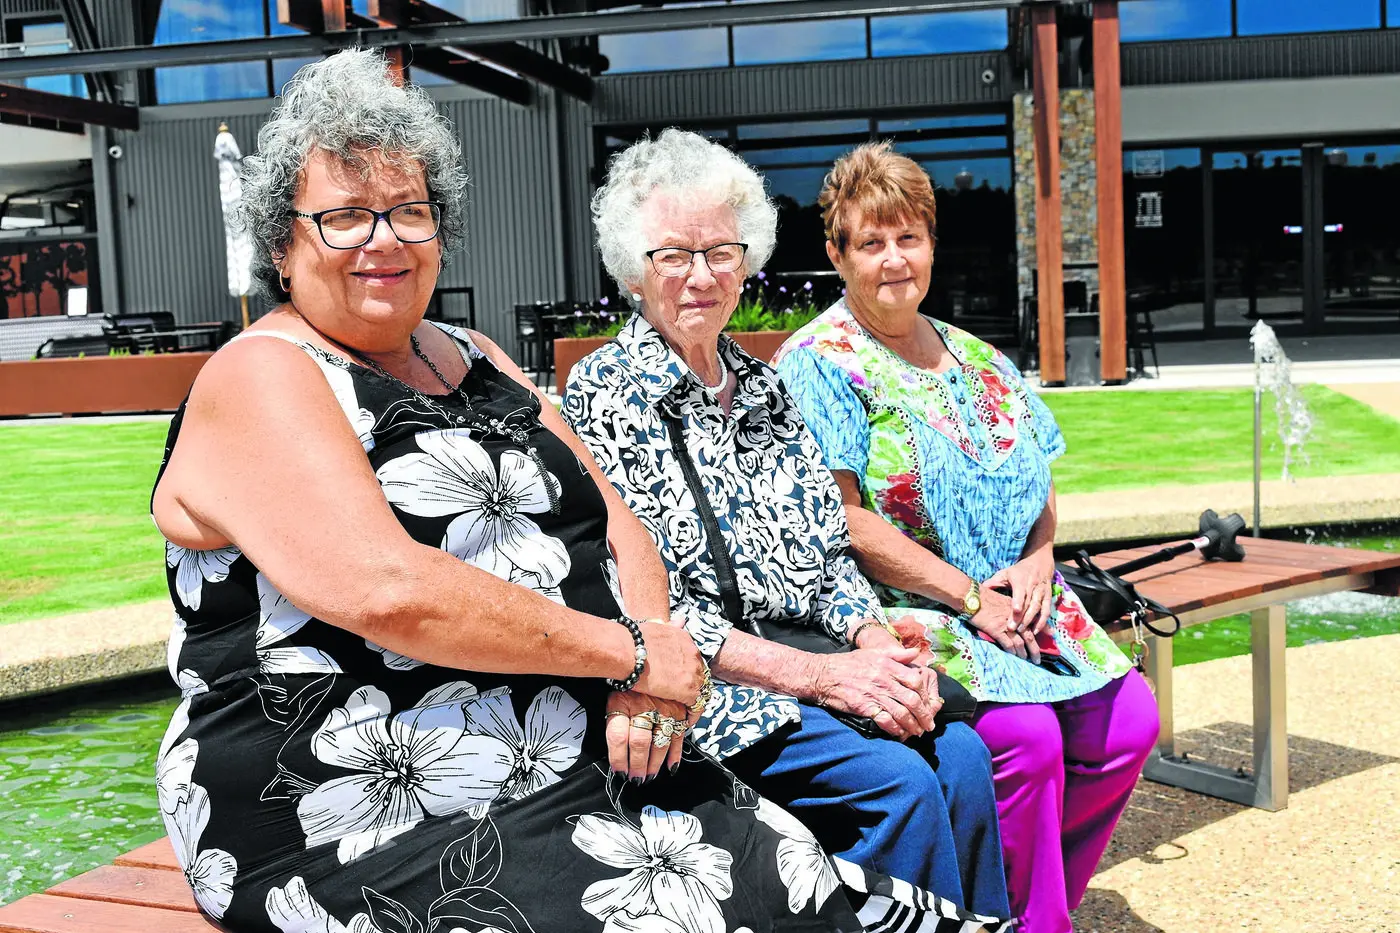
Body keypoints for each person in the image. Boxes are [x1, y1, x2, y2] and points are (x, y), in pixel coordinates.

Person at [150, 54, 1001, 933]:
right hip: (358, 806)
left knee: (818, 891)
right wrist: (626, 657)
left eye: (411, 211)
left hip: (569, 752)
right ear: (281, 242)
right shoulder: (263, 373)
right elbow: (387, 589)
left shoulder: (472, 354)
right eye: (343, 217)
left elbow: (622, 527)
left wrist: (649, 662)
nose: (385, 239)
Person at [562, 128, 1009, 919]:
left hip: (821, 664)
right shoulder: (607, 395)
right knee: (898, 787)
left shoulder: (764, 388)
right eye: (674, 255)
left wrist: (871, 643)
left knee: (966, 757)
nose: (701, 275)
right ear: (636, 269)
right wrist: (831, 676)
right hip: (719, 689)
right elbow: (642, 607)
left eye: (721, 252)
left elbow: (830, 551)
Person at [773, 142, 1161, 933]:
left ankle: (1038, 898)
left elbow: (1038, 470)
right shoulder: (819, 361)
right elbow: (843, 518)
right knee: (1027, 740)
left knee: (1130, 724)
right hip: (914, 610)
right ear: (836, 253)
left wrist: (1040, 556)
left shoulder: (974, 353)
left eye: (908, 237)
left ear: (931, 243)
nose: (893, 259)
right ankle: (1033, 920)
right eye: (870, 241)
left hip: (1020, 599)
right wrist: (969, 597)